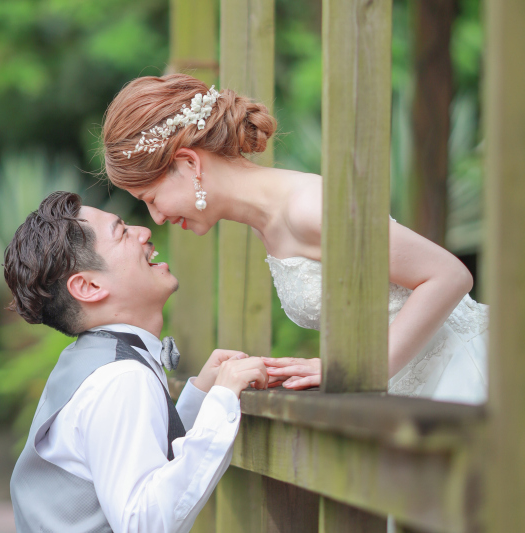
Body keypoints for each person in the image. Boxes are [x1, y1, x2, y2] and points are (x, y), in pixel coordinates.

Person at [101, 73, 488, 405]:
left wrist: (358, 369)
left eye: (151, 198)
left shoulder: (306, 207)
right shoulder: (265, 222)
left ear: (189, 163)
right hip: (409, 391)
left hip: (463, 377)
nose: (157, 218)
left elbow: (448, 276)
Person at [4, 191, 268, 532]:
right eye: (122, 232)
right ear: (89, 286)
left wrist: (201, 396)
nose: (144, 232)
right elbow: (143, 522)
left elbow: (141, 461)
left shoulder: (92, 363)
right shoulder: (119, 379)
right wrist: (222, 404)